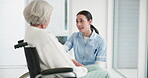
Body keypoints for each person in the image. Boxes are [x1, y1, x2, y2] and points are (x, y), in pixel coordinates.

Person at [23, 0, 110, 78]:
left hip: (49, 72)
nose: (78, 24)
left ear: (90, 22)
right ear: (44, 17)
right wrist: (78, 69)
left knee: (97, 68)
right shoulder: (44, 36)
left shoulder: (30, 32)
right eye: (77, 21)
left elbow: (59, 52)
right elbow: (64, 65)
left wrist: (76, 64)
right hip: (66, 74)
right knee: (105, 74)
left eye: (81, 21)